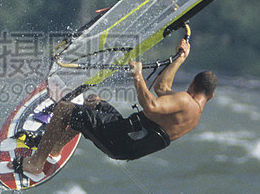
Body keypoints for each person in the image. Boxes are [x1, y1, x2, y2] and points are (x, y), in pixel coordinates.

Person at [20, 33, 217, 176]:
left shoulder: (185, 100)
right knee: (93, 102)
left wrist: (137, 76)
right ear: (211, 96)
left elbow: (152, 106)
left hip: (121, 138)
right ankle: (55, 147)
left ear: (192, 83)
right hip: (127, 142)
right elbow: (162, 87)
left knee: (64, 109)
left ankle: (36, 163)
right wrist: (179, 59)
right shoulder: (193, 115)